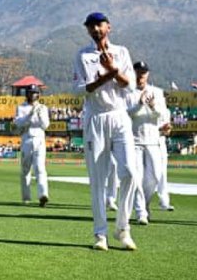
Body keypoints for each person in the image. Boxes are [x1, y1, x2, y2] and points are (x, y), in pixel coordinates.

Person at [72, 12, 138, 251]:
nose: (95, 29)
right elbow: (80, 89)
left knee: (130, 171)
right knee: (98, 180)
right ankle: (100, 234)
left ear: (108, 26)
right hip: (96, 118)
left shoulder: (122, 52)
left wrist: (113, 70)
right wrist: (106, 77)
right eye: (90, 26)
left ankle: (123, 228)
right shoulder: (83, 55)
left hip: (120, 115)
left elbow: (129, 85)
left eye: (99, 25)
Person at [127, 61, 167, 225]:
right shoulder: (127, 91)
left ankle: (145, 204)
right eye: (138, 71)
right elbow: (125, 114)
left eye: (143, 72)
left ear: (147, 74)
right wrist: (139, 104)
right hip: (134, 140)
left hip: (152, 140)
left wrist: (152, 106)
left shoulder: (157, 92)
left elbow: (162, 115)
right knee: (137, 177)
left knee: (155, 177)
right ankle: (140, 212)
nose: (140, 75)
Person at [13, 84, 50, 206]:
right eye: (30, 92)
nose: (33, 95)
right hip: (27, 139)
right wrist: (30, 115)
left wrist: (38, 114)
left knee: (40, 168)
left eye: (35, 92)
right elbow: (18, 123)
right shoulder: (21, 107)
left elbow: (45, 125)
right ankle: (26, 197)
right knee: (25, 169)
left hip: (39, 139)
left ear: (38, 94)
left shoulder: (43, 108)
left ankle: (43, 195)